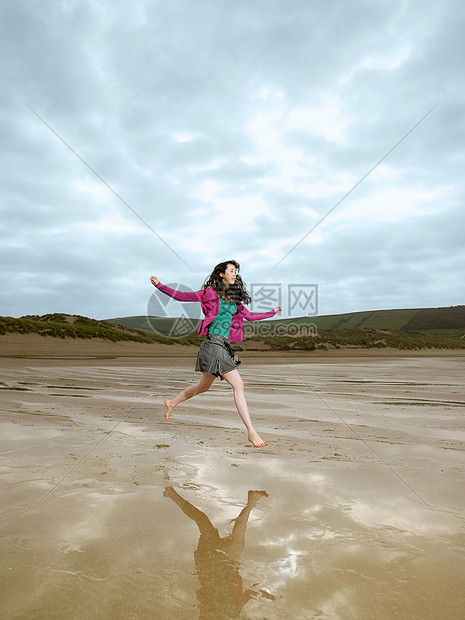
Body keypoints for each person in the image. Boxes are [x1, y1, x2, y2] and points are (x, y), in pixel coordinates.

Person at [150, 260, 281, 447]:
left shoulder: (234, 300)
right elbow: (183, 296)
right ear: (221, 274)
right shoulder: (209, 293)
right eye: (231, 271)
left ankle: (172, 403)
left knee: (203, 386)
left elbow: (250, 316)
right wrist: (160, 285)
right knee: (239, 384)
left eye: (236, 271)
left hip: (224, 345)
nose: (235, 274)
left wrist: (272, 312)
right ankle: (252, 433)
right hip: (212, 343)